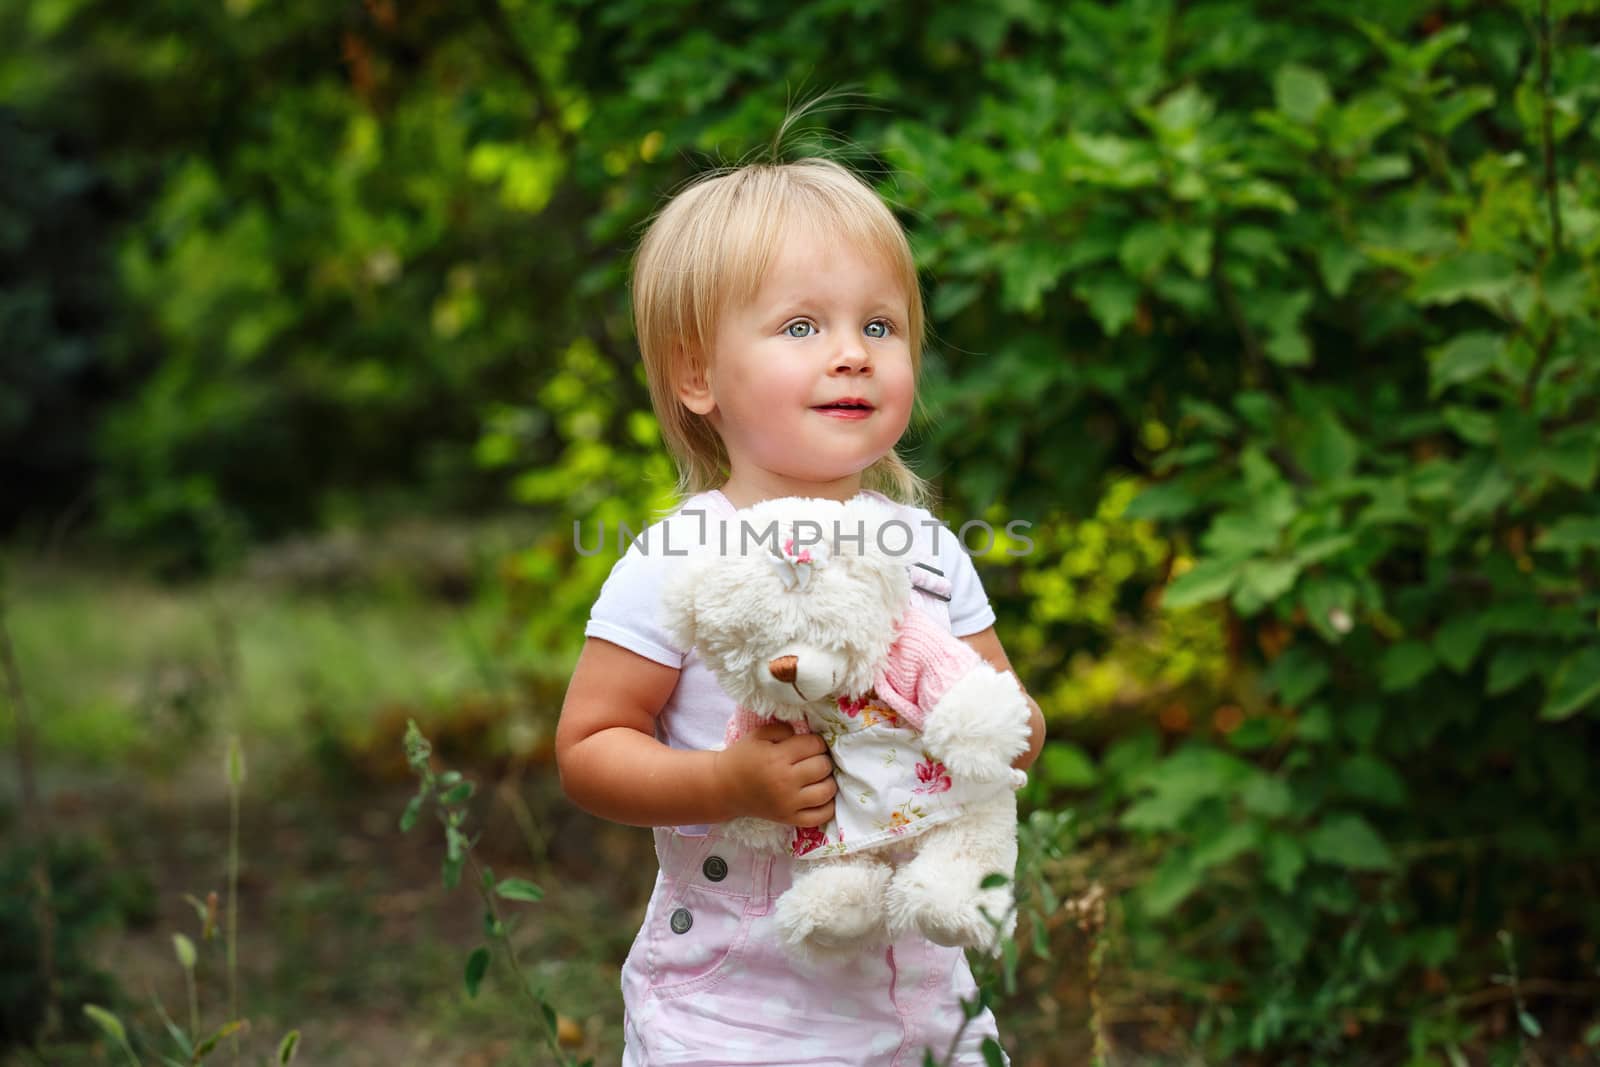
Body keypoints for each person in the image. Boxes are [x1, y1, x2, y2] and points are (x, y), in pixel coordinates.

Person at [555, 154, 1046, 1067]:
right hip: (739, 1008)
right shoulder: (677, 559)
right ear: (698, 374)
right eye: (801, 325)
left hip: (924, 999)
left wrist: (1001, 730)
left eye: (879, 324)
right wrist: (728, 783)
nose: (851, 350)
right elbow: (588, 748)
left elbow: (1006, 718)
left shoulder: (928, 551)